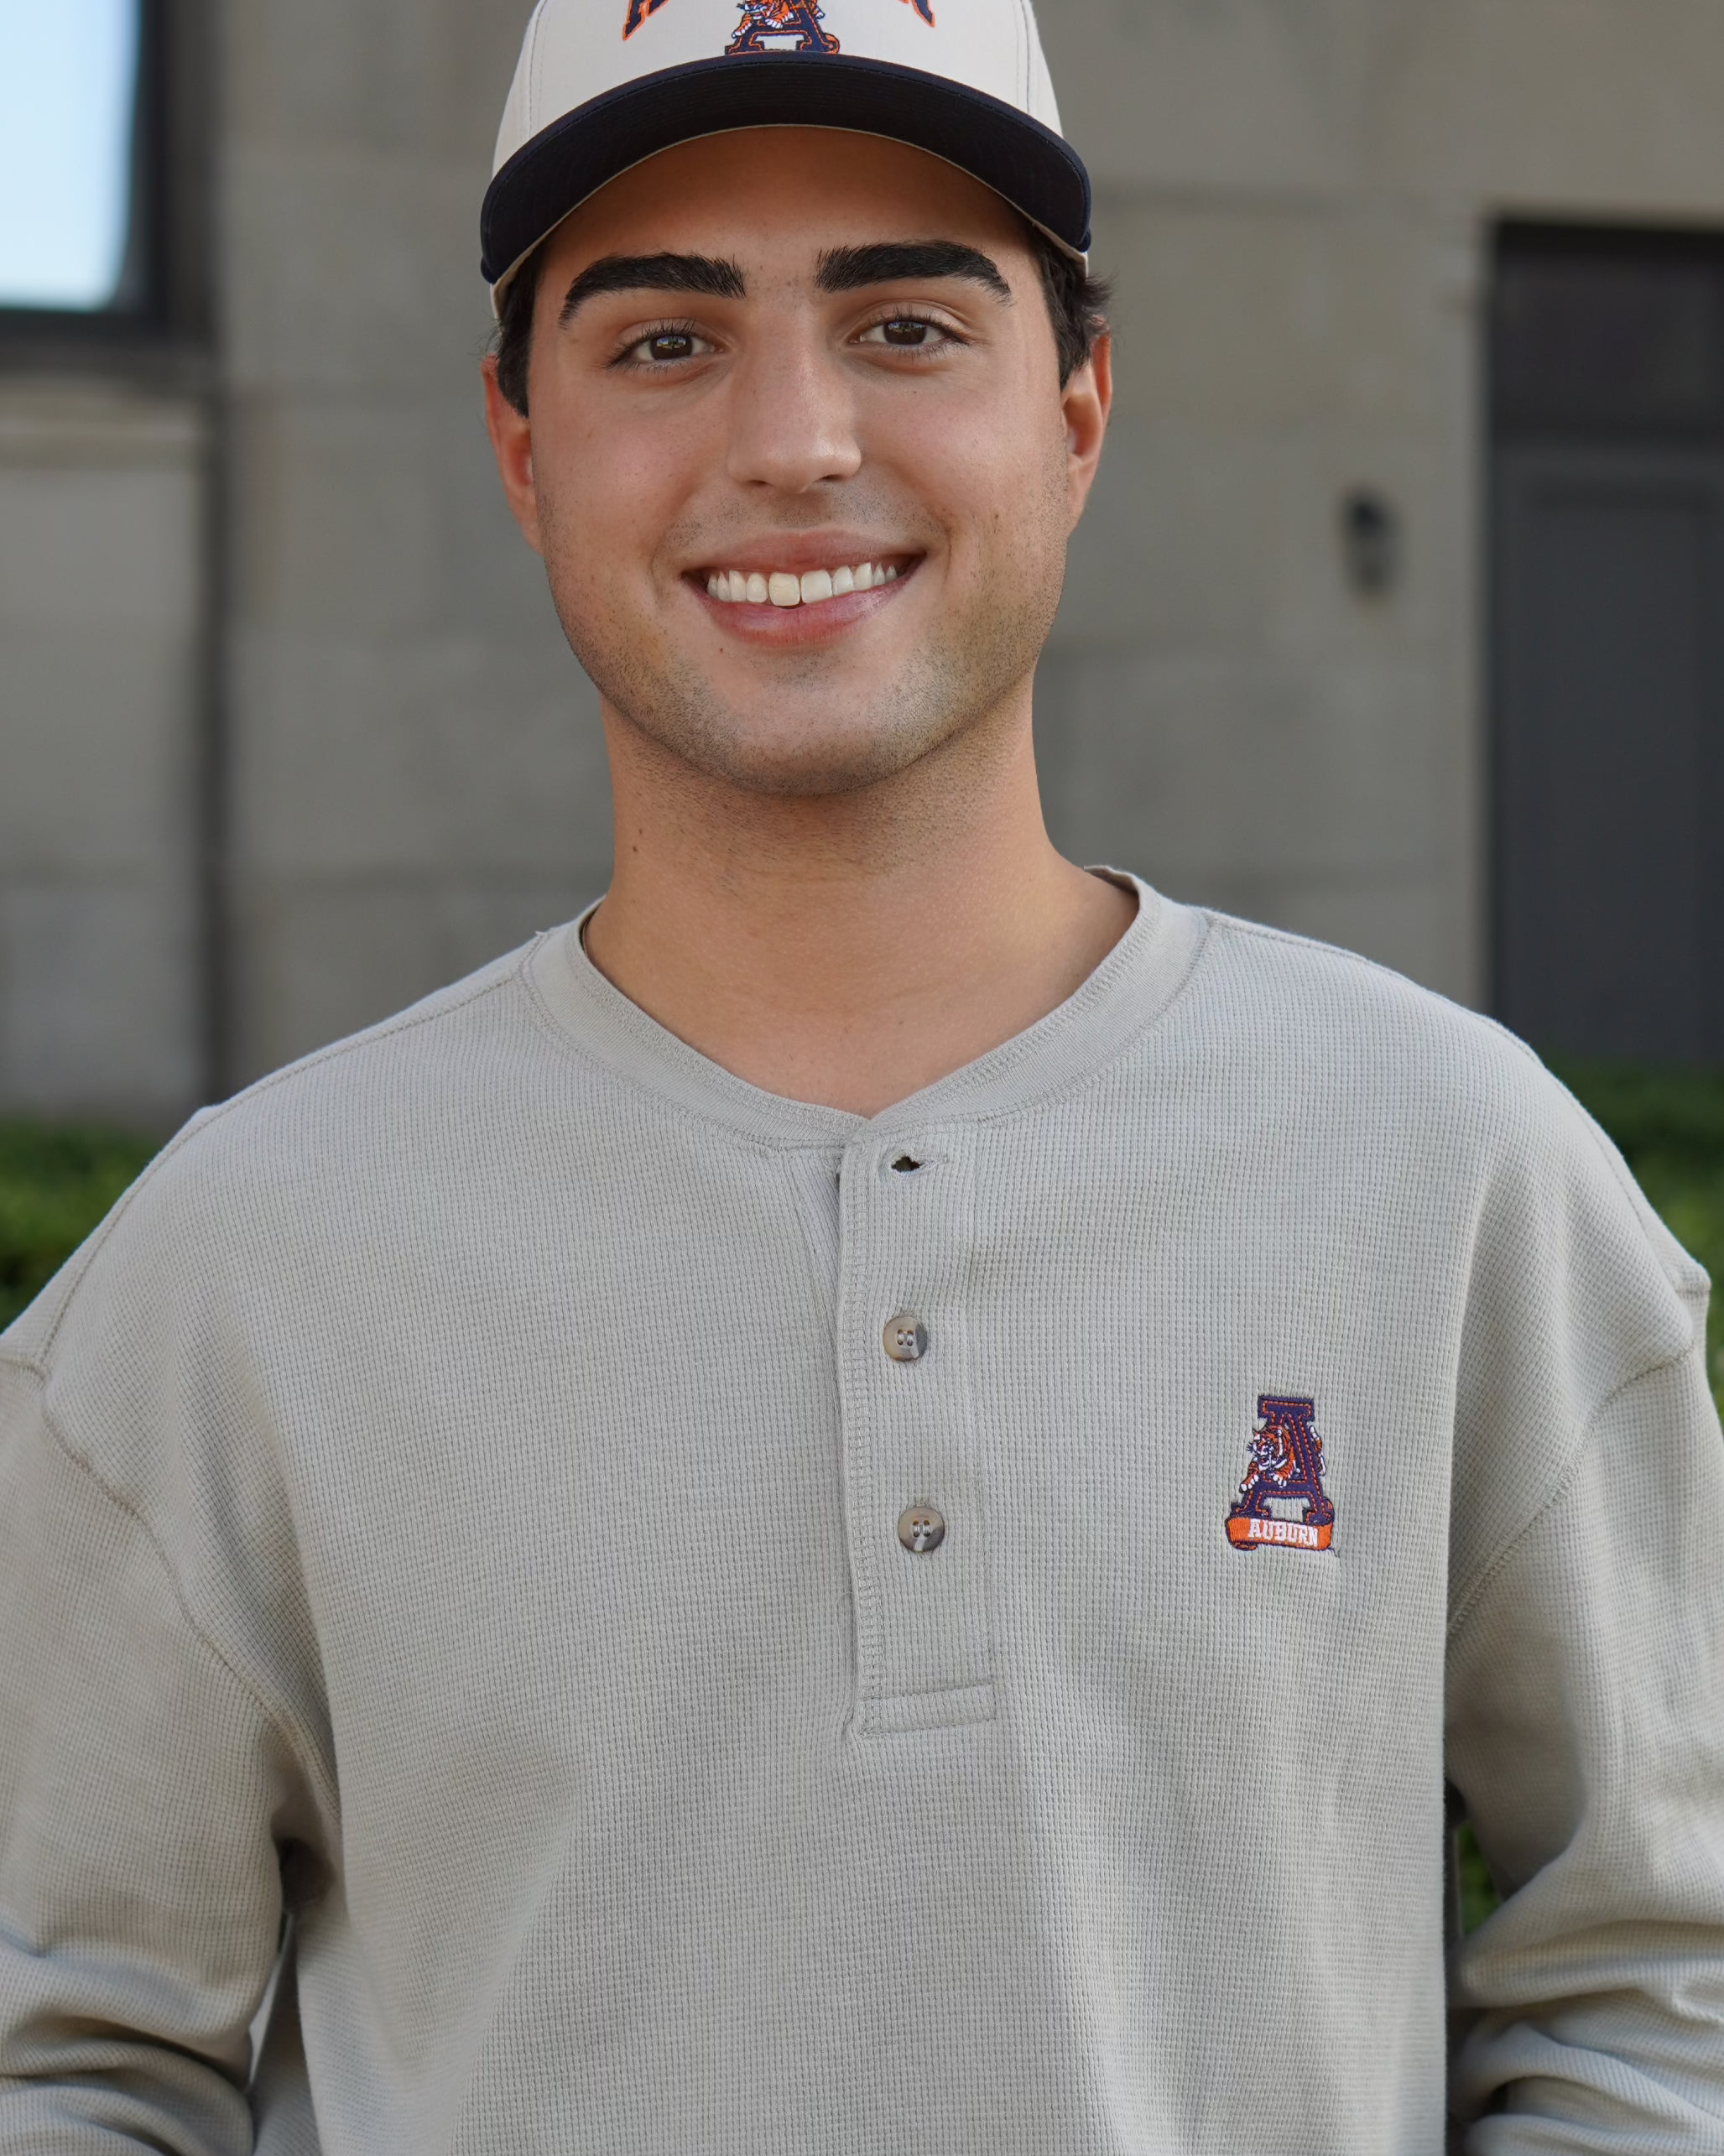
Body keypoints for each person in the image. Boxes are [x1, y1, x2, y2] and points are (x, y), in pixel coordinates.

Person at [3, 0, 1722, 2148]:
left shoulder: (1453, 1173)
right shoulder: (242, 1265)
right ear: (522, 446)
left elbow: (1660, 1982)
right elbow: (58, 2054)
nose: (795, 439)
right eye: (664, 339)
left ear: (1077, 412)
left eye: (906, 326)